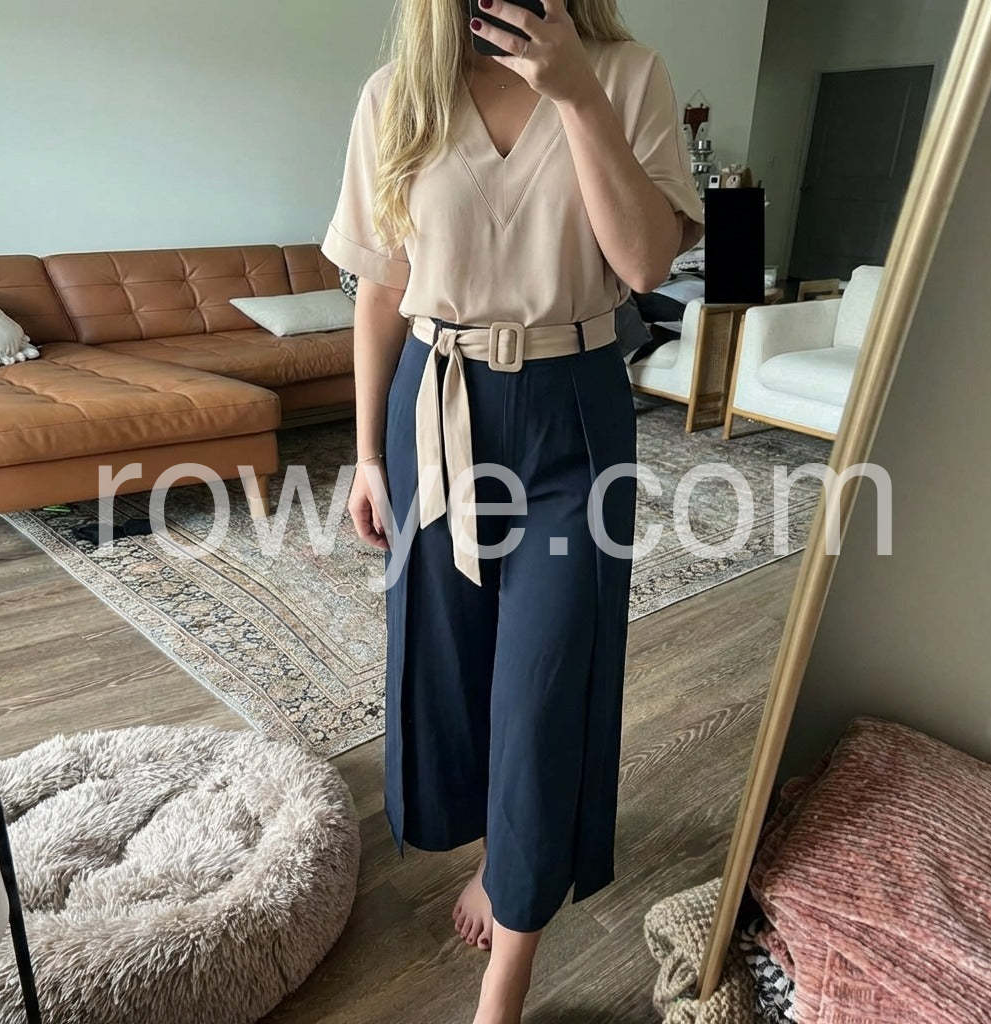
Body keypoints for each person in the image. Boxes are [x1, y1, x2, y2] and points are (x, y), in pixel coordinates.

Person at [323, 1, 704, 1020]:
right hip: (433, 401)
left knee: (546, 678)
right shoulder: (397, 98)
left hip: (571, 410)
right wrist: (366, 454)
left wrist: (574, 93)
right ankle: (499, 852)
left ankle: (510, 967)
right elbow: (379, 289)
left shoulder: (627, 76)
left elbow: (645, 266)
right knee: (449, 658)